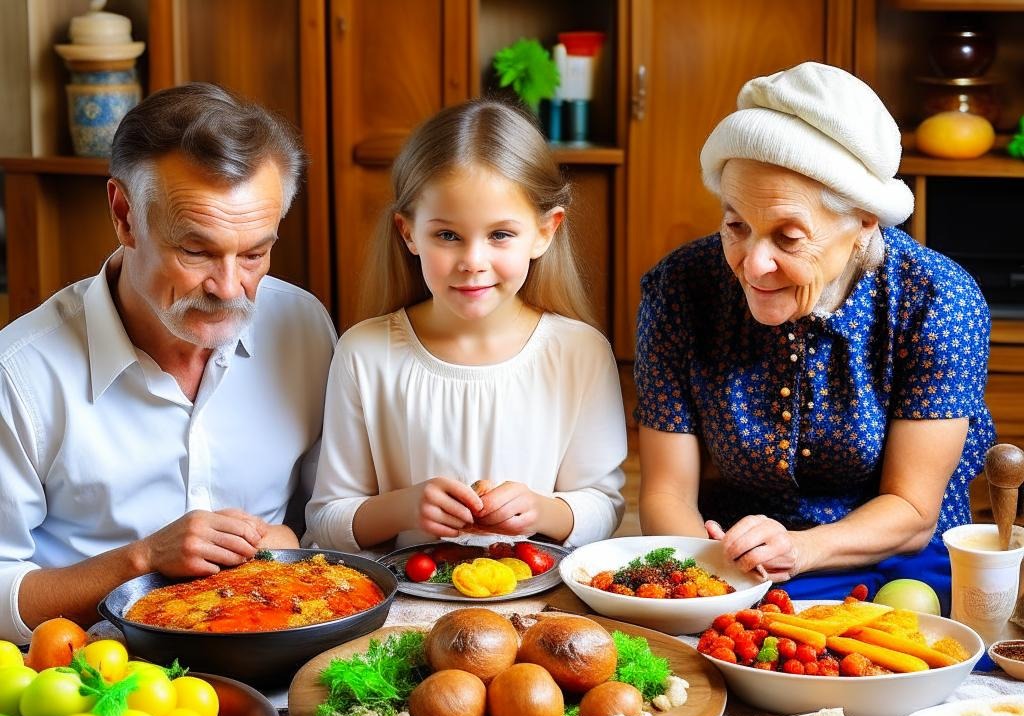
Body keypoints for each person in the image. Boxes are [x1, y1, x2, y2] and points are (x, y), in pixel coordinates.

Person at [634, 62, 995, 609]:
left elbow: (914, 510)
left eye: (788, 236)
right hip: (731, 555)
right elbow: (665, 492)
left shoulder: (937, 301)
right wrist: (700, 578)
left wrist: (802, 549)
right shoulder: (681, 287)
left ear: (864, 225)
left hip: (894, 557)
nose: (753, 265)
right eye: (736, 225)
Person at [0, 83, 337, 642]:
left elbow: (325, 524)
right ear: (124, 215)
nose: (230, 288)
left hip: (281, 664)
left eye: (255, 253)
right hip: (98, 685)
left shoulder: (302, 327)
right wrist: (142, 559)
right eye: (196, 251)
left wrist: (294, 543)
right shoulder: (20, 374)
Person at [305, 99, 626, 553]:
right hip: (400, 605)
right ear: (408, 233)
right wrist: (404, 508)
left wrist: (541, 509)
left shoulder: (580, 352)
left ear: (545, 232)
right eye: (448, 235)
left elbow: (603, 505)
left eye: (500, 234)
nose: (473, 262)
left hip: (539, 602)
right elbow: (327, 518)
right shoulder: (365, 352)